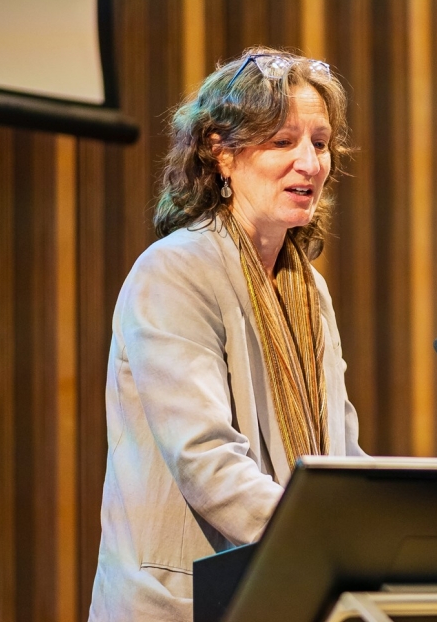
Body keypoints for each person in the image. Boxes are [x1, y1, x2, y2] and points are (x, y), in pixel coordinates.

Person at [87, 47, 366, 621]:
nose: (310, 163)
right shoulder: (174, 270)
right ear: (222, 154)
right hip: (183, 605)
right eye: (284, 141)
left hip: (285, 592)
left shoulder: (307, 289)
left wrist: (391, 532)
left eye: (320, 142)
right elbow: (207, 460)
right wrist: (337, 544)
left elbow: (340, 454)